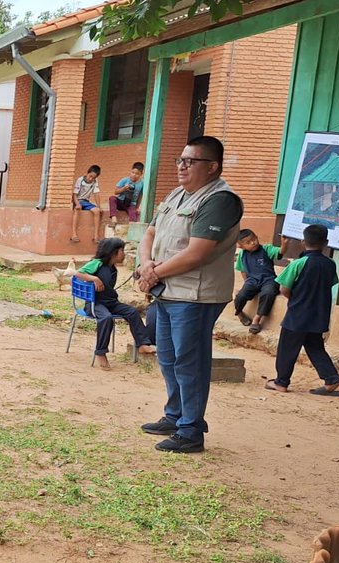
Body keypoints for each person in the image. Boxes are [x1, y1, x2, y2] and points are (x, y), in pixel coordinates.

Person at [137, 136, 242, 454]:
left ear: (212, 167)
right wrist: (145, 265)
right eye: (180, 160)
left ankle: (191, 430)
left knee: (189, 362)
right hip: (168, 291)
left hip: (196, 296)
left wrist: (154, 272)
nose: (182, 166)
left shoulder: (220, 200)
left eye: (190, 161)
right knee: (168, 358)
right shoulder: (178, 194)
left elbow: (197, 253)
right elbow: (150, 233)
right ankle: (175, 416)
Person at [266, 224, 339, 396]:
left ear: (303, 242)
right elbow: (331, 283)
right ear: (326, 243)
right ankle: (331, 378)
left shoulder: (299, 263)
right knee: (315, 346)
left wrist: (295, 299)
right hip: (319, 314)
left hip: (298, 314)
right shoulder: (330, 264)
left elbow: (283, 289)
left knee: (287, 348)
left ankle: (281, 382)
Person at [73, 237, 152, 371]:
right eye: (122, 250)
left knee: (132, 312)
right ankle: (101, 352)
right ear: (113, 252)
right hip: (94, 304)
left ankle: (143, 344)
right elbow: (79, 273)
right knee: (106, 318)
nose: (124, 253)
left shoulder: (112, 268)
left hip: (110, 302)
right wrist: (94, 278)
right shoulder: (97, 263)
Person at [233, 229, 282, 334]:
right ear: (240, 246)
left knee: (268, 293)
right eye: (248, 242)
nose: (253, 242)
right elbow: (242, 270)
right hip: (252, 281)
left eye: (254, 239)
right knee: (241, 295)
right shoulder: (242, 255)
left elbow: (280, 252)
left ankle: (257, 319)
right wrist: (247, 282)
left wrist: (285, 244)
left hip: (269, 279)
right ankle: (239, 313)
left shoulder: (266, 249)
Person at [71, 165, 103, 244]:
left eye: (93, 178)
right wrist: (77, 204)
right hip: (78, 201)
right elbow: (74, 194)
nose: (91, 179)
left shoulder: (95, 182)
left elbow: (96, 194)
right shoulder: (80, 180)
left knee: (97, 211)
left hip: (86, 202)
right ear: (87, 173)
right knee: (77, 210)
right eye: (90, 176)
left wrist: (99, 206)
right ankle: (74, 234)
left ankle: (96, 237)